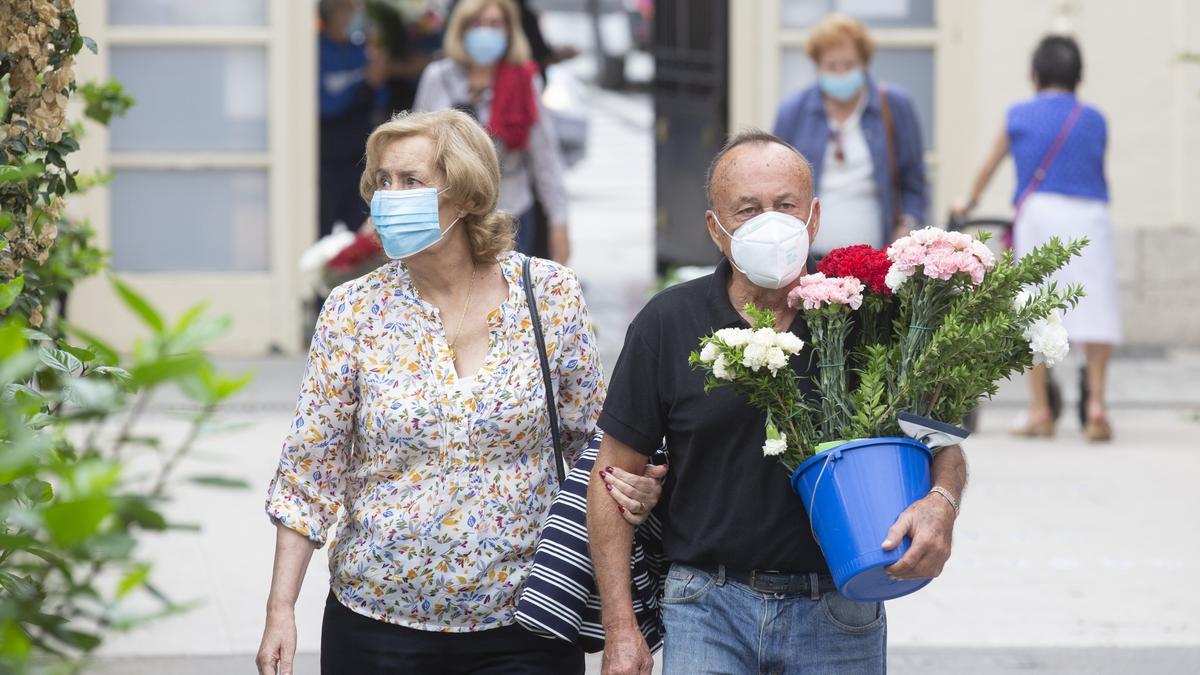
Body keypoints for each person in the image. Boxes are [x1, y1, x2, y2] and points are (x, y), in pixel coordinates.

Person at [255, 109, 665, 675]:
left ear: (467, 193)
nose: (389, 196)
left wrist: (634, 496)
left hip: (525, 624)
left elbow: (594, 451)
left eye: (411, 181)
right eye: (382, 182)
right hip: (376, 625)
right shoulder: (353, 310)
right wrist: (281, 610)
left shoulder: (548, 295)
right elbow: (309, 472)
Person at [588, 131, 966, 675]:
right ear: (715, 230)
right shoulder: (668, 323)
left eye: (785, 206)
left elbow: (940, 442)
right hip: (706, 607)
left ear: (813, 218)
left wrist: (941, 502)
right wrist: (621, 631)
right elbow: (611, 478)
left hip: (839, 609)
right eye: (748, 210)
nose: (771, 222)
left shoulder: (869, 314)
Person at [953, 35, 1119, 442]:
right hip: (1090, 215)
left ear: (1034, 74)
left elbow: (988, 166)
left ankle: (1040, 410)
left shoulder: (1018, 116)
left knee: (1035, 307)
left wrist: (966, 202)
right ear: (1079, 76)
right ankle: (1096, 404)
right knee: (1094, 306)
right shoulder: (1094, 119)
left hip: (1040, 215)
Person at [413, 0, 571, 264]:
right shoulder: (438, 77)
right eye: (475, 23)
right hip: (448, 215)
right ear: (460, 29)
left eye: (494, 24)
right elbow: (417, 151)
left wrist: (559, 222)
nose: (484, 31)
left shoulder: (523, 79)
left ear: (509, 31)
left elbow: (545, 158)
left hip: (510, 213)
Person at [772, 14, 928, 259]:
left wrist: (907, 226)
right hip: (807, 258)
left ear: (865, 63)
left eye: (849, 65)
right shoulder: (793, 110)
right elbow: (776, 183)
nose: (841, 73)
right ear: (817, 66)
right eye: (831, 66)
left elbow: (913, 181)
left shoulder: (895, 105)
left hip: (878, 258)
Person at [317, 0, 388, 238]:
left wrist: (375, 78)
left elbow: (380, 102)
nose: (354, 15)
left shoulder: (362, 50)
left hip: (359, 159)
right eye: (347, 8)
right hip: (325, 159)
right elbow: (325, 106)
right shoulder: (315, 50)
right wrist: (364, 84)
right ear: (330, 13)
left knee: (362, 234)